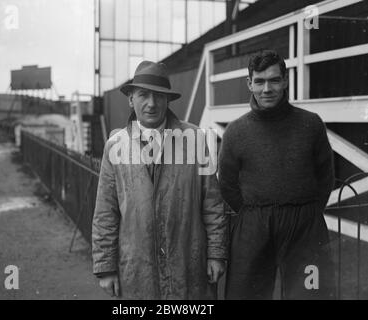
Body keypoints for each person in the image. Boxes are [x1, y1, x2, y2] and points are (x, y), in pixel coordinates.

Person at [92, 60, 229, 299]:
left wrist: (216, 254)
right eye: (143, 95)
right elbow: (106, 211)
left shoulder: (195, 139)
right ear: (131, 99)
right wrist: (106, 267)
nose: (151, 103)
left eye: (159, 96)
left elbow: (213, 205)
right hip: (137, 269)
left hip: (188, 266)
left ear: (168, 100)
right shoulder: (115, 146)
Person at [218, 50, 335, 300]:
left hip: (304, 224)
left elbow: (326, 176)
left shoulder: (311, 124)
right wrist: (255, 212)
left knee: (311, 295)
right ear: (249, 84)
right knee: (246, 295)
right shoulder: (236, 132)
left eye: (273, 80)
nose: (266, 89)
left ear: (285, 81)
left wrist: (307, 212)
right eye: (259, 81)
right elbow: (226, 183)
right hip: (254, 224)